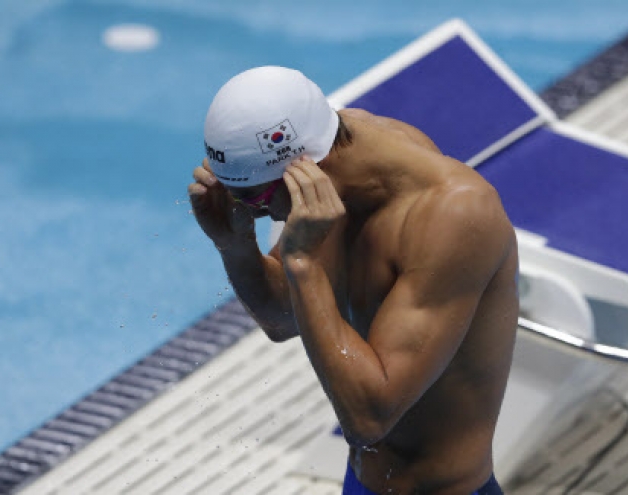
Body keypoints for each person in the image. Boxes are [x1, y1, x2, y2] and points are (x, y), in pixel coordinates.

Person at [189, 66, 517, 495]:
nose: (254, 212)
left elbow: (370, 419)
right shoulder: (336, 170)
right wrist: (235, 247)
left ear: (304, 166)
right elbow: (282, 319)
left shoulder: (454, 215)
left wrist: (303, 263)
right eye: (237, 196)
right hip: (361, 482)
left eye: (254, 198)